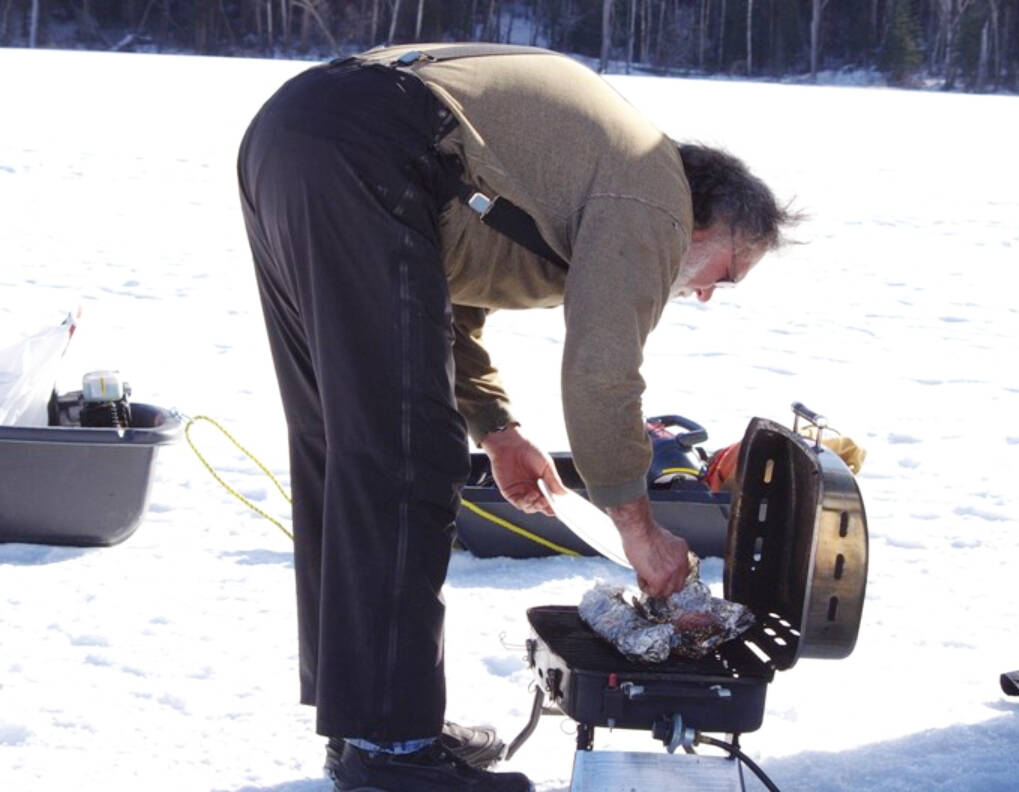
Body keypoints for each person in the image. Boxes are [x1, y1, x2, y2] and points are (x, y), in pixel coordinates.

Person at [237, 42, 798, 792]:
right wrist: (638, 526)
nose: (703, 294)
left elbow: (441, 292)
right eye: (725, 274)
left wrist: (496, 429)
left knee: (344, 447)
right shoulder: (654, 195)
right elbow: (603, 367)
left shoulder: (575, 178)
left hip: (296, 133)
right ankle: (391, 754)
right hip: (368, 143)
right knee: (406, 460)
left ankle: (369, 725)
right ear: (703, 223)